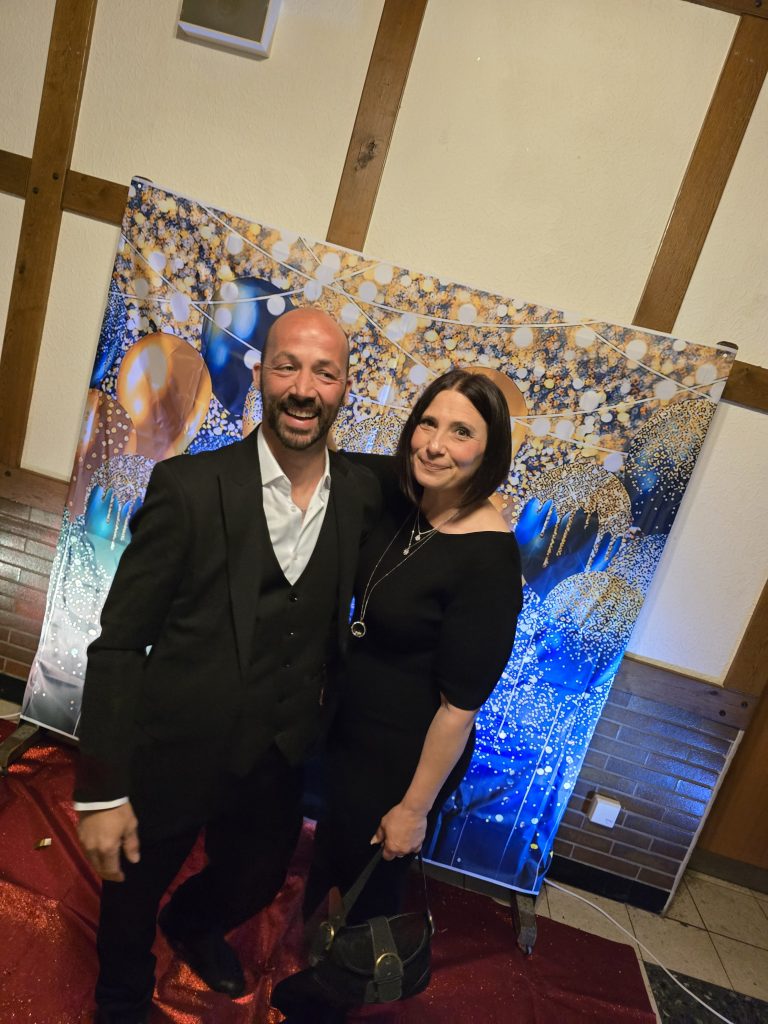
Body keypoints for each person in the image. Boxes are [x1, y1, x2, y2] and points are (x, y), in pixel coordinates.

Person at [73, 307, 380, 1024]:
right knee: (131, 890)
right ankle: (119, 1001)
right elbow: (119, 643)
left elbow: (448, 479)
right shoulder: (187, 487)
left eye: (324, 373)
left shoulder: (364, 493)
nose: (303, 388)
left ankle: (192, 923)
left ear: (344, 388)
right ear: (260, 373)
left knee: (256, 878)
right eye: (287, 366)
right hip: (175, 747)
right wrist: (102, 791)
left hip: (279, 752)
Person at [301, 368, 523, 1000]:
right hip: (351, 731)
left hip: (404, 757)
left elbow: (459, 709)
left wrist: (413, 809)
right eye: (428, 422)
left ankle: (336, 997)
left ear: (489, 452)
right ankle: (315, 965)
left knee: (370, 887)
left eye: (461, 432)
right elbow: (327, 458)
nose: (435, 444)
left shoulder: (489, 559)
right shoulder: (405, 493)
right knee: (331, 859)